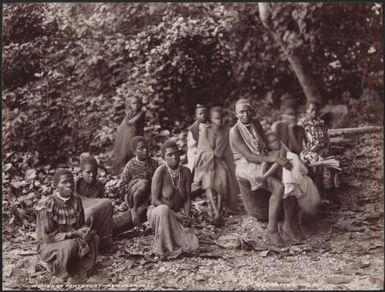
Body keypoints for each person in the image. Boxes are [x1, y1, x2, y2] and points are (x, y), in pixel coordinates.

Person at [229, 99, 293, 246]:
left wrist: (279, 154)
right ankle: (272, 229)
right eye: (241, 112)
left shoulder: (255, 123)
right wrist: (274, 159)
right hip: (246, 164)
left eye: (247, 110)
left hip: (261, 155)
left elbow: (264, 143)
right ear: (236, 114)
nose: (245, 114)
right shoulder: (235, 131)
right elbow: (249, 156)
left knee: (291, 166)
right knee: (278, 187)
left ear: (252, 111)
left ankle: (291, 221)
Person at [36, 169, 99, 279]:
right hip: (49, 244)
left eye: (71, 181)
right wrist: (74, 234)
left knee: (95, 238)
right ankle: (56, 267)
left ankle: (80, 268)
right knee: (70, 245)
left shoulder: (76, 201)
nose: (69, 185)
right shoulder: (48, 204)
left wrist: (85, 230)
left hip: (73, 238)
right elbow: (47, 238)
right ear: (55, 185)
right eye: (64, 182)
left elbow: (81, 224)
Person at [147, 141, 199, 259]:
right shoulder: (160, 172)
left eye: (176, 153)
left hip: (176, 215)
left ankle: (176, 238)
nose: (174, 157)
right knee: (164, 209)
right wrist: (177, 216)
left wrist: (186, 216)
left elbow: (187, 198)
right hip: (158, 214)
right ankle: (163, 246)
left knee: (193, 245)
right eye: (170, 155)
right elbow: (154, 201)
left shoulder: (186, 172)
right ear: (163, 157)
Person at [194, 106, 239, 226]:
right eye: (216, 118)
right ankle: (214, 210)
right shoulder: (206, 132)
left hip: (221, 162)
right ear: (211, 119)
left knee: (222, 184)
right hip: (207, 163)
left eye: (220, 118)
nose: (218, 121)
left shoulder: (226, 132)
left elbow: (228, 150)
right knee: (209, 184)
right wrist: (211, 154)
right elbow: (201, 150)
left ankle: (218, 211)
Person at [298, 101, 340, 197]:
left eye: (316, 110)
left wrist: (326, 149)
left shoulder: (321, 123)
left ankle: (330, 191)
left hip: (322, 150)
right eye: (311, 110)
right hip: (308, 152)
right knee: (318, 164)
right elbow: (301, 143)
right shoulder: (302, 124)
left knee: (332, 162)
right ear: (306, 111)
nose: (314, 112)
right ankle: (319, 195)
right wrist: (313, 150)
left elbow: (326, 140)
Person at [75, 154, 113, 249]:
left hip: (92, 220)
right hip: (77, 219)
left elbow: (100, 209)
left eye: (94, 172)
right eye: (88, 172)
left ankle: (104, 241)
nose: (92, 175)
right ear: (81, 172)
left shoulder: (99, 186)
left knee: (105, 204)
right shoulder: (74, 185)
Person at [120, 136, 159, 226]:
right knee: (144, 183)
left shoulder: (154, 163)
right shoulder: (130, 165)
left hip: (148, 194)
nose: (145, 150)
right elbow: (122, 187)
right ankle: (134, 210)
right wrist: (134, 182)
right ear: (134, 152)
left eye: (146, 147)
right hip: (133, 195)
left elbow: (157, 180)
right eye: (141, 149)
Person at [111, 96, 145, 175]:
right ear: (130, 105)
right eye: (134, 103)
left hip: (137, 134)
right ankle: (126, 170)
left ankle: (135, 169)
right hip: (129, 135)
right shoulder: (130, 113)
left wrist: (140, 113)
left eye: (138, 103)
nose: (136, 105)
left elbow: (133, 122)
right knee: (126, 152)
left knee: (136, 152)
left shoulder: (141, 113)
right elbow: (128, 122)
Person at [186, 104, 209, 172]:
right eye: (200, 114)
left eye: (205, 113)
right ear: (196, 116)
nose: (203, 115)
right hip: (197, 153)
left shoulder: (211, 126)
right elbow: (191, 146)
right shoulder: (193, 129)